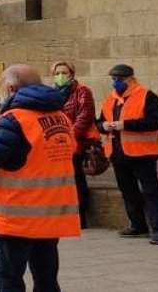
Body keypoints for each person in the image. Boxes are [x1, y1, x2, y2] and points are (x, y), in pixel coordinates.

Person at [0, 64, 80, 292]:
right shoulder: (61, 119)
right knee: (47, 280)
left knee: (9, 282)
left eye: (1, 83)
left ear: (10, 88)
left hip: (18, 218)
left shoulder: (15, 120)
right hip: (50, 216)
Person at [97, 64, 158, 244]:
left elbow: (155, 121)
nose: (115, 83)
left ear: (130, 79)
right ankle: (138, 224)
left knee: (151, 191)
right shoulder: (109, 100)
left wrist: (125, 125)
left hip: (143, 154)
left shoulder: (147, 96)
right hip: (117, 153)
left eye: (119, 80)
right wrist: (103, 127)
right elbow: (99, 122)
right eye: (113, 79)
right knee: (128, 191)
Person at [51, 61, 96, 229]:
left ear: (71, 74)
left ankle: (80, 217)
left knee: (76, 180)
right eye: (57, 73)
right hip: (55, 144)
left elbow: (85, 116)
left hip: (75, 143)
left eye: (64, 72)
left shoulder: (81, 92)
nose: (60, 76)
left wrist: (69, 136)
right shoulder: (51, 93)